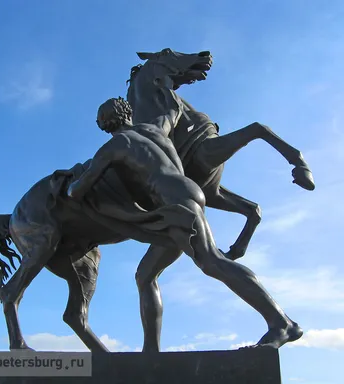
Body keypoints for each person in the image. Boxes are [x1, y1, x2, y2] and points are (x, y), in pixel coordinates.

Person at [67, 81, 303, 349]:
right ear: (128, 113)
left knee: (212, 261)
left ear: (105, 126)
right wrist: (164, 88)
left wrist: (72, 181)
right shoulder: (155, 129)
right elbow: (173, 110)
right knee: (145, 275)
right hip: (186, 193)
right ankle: (151, 353)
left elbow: (78, 192)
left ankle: (281, 323)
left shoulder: (114, 147)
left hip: (175, 204)